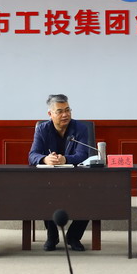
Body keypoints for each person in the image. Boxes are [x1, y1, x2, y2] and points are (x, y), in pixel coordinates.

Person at [28, 94, 91, 252]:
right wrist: (45, 159)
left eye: (68, 110)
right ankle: (52, 236)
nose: (65, 114)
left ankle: (73, 237)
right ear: (50, 114)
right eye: (60, 111)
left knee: (92, 194)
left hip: (76, 179)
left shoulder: (80, 128)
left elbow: (83, 154)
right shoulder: (42, 129)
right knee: (44, 193)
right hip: (50, 180)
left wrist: (65, 159)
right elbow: (32, 155)